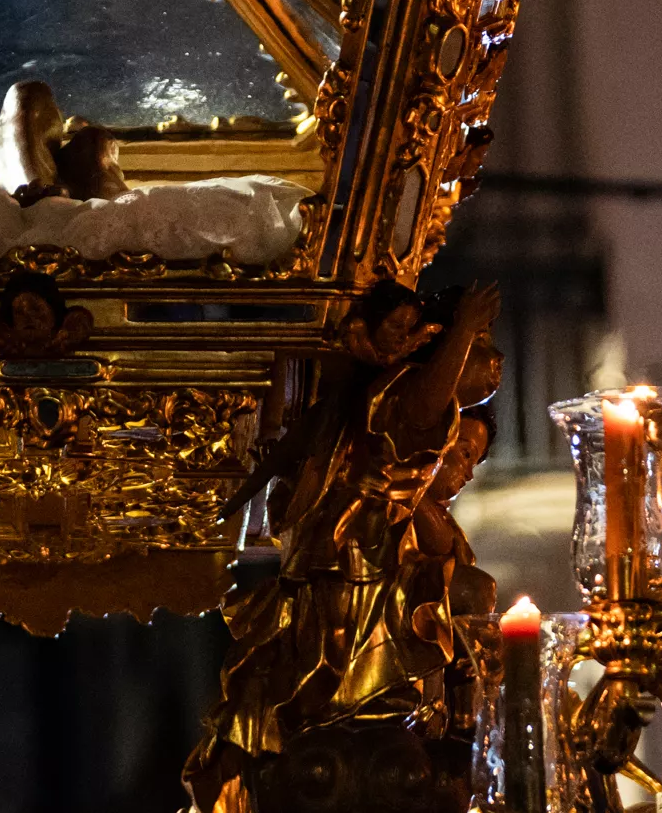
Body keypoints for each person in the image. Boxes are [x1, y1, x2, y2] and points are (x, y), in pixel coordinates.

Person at [188, 284, 501, 813]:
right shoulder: (404, 399)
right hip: (351, 546)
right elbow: (423, 412)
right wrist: (464, 330)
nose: (492, 364)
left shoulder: (412, 411)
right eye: (481, 349)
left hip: (374, 555)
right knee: (336, 663)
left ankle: (449, 713)